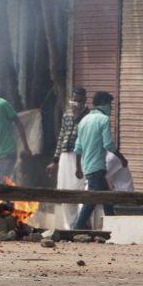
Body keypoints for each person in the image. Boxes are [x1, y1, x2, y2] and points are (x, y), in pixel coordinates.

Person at [73, 91, 128, 230]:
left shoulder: (83, 120)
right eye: (109, 105)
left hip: (88, 167)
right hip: (97, 167)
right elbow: (108, 144)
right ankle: (77, 228)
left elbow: (78, 148)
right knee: (92, 200)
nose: (110, 108)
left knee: (106, 199)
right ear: (103, 104)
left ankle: (112, 229)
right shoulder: (103, 119)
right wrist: (122, 158)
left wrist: (78, 168)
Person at [46, 87, 89, 229]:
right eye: (74, 100)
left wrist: (78, 115)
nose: (76, 103)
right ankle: (69, 226)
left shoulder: (87, 116)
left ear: (84, 101)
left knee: (80, 189)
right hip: (65, 157)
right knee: (65, 191)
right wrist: (55, 161)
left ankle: (80, 224)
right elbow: (61, 137)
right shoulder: (67, 115)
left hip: (80, 157)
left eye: (79, 101)